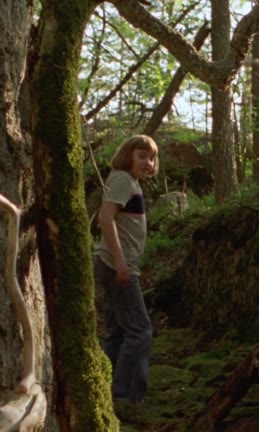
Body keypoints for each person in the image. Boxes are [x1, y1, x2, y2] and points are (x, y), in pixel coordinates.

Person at [93, 134, 159, 405]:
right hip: (116, 265)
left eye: (151, 158)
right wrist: (121, 263)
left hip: (115, 264)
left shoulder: (131, 183)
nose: (148, 162)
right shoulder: (121, 179)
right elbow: (105, 218)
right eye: (142, 156)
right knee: (140, 330)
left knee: (120, 331)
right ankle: (126, 397)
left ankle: (107, 391)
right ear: (127, 155)